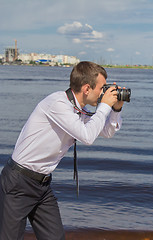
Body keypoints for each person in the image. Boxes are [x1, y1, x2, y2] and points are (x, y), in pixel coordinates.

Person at [0, 61, 125, 240]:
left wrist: (115, 109)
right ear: (87, 88)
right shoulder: (58, 103)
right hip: (19, 182)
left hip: (42, 185)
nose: (104, 93)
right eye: (102, 88)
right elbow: (87, 136)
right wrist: (104, 106)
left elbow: (107, 131)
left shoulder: (80, 110)